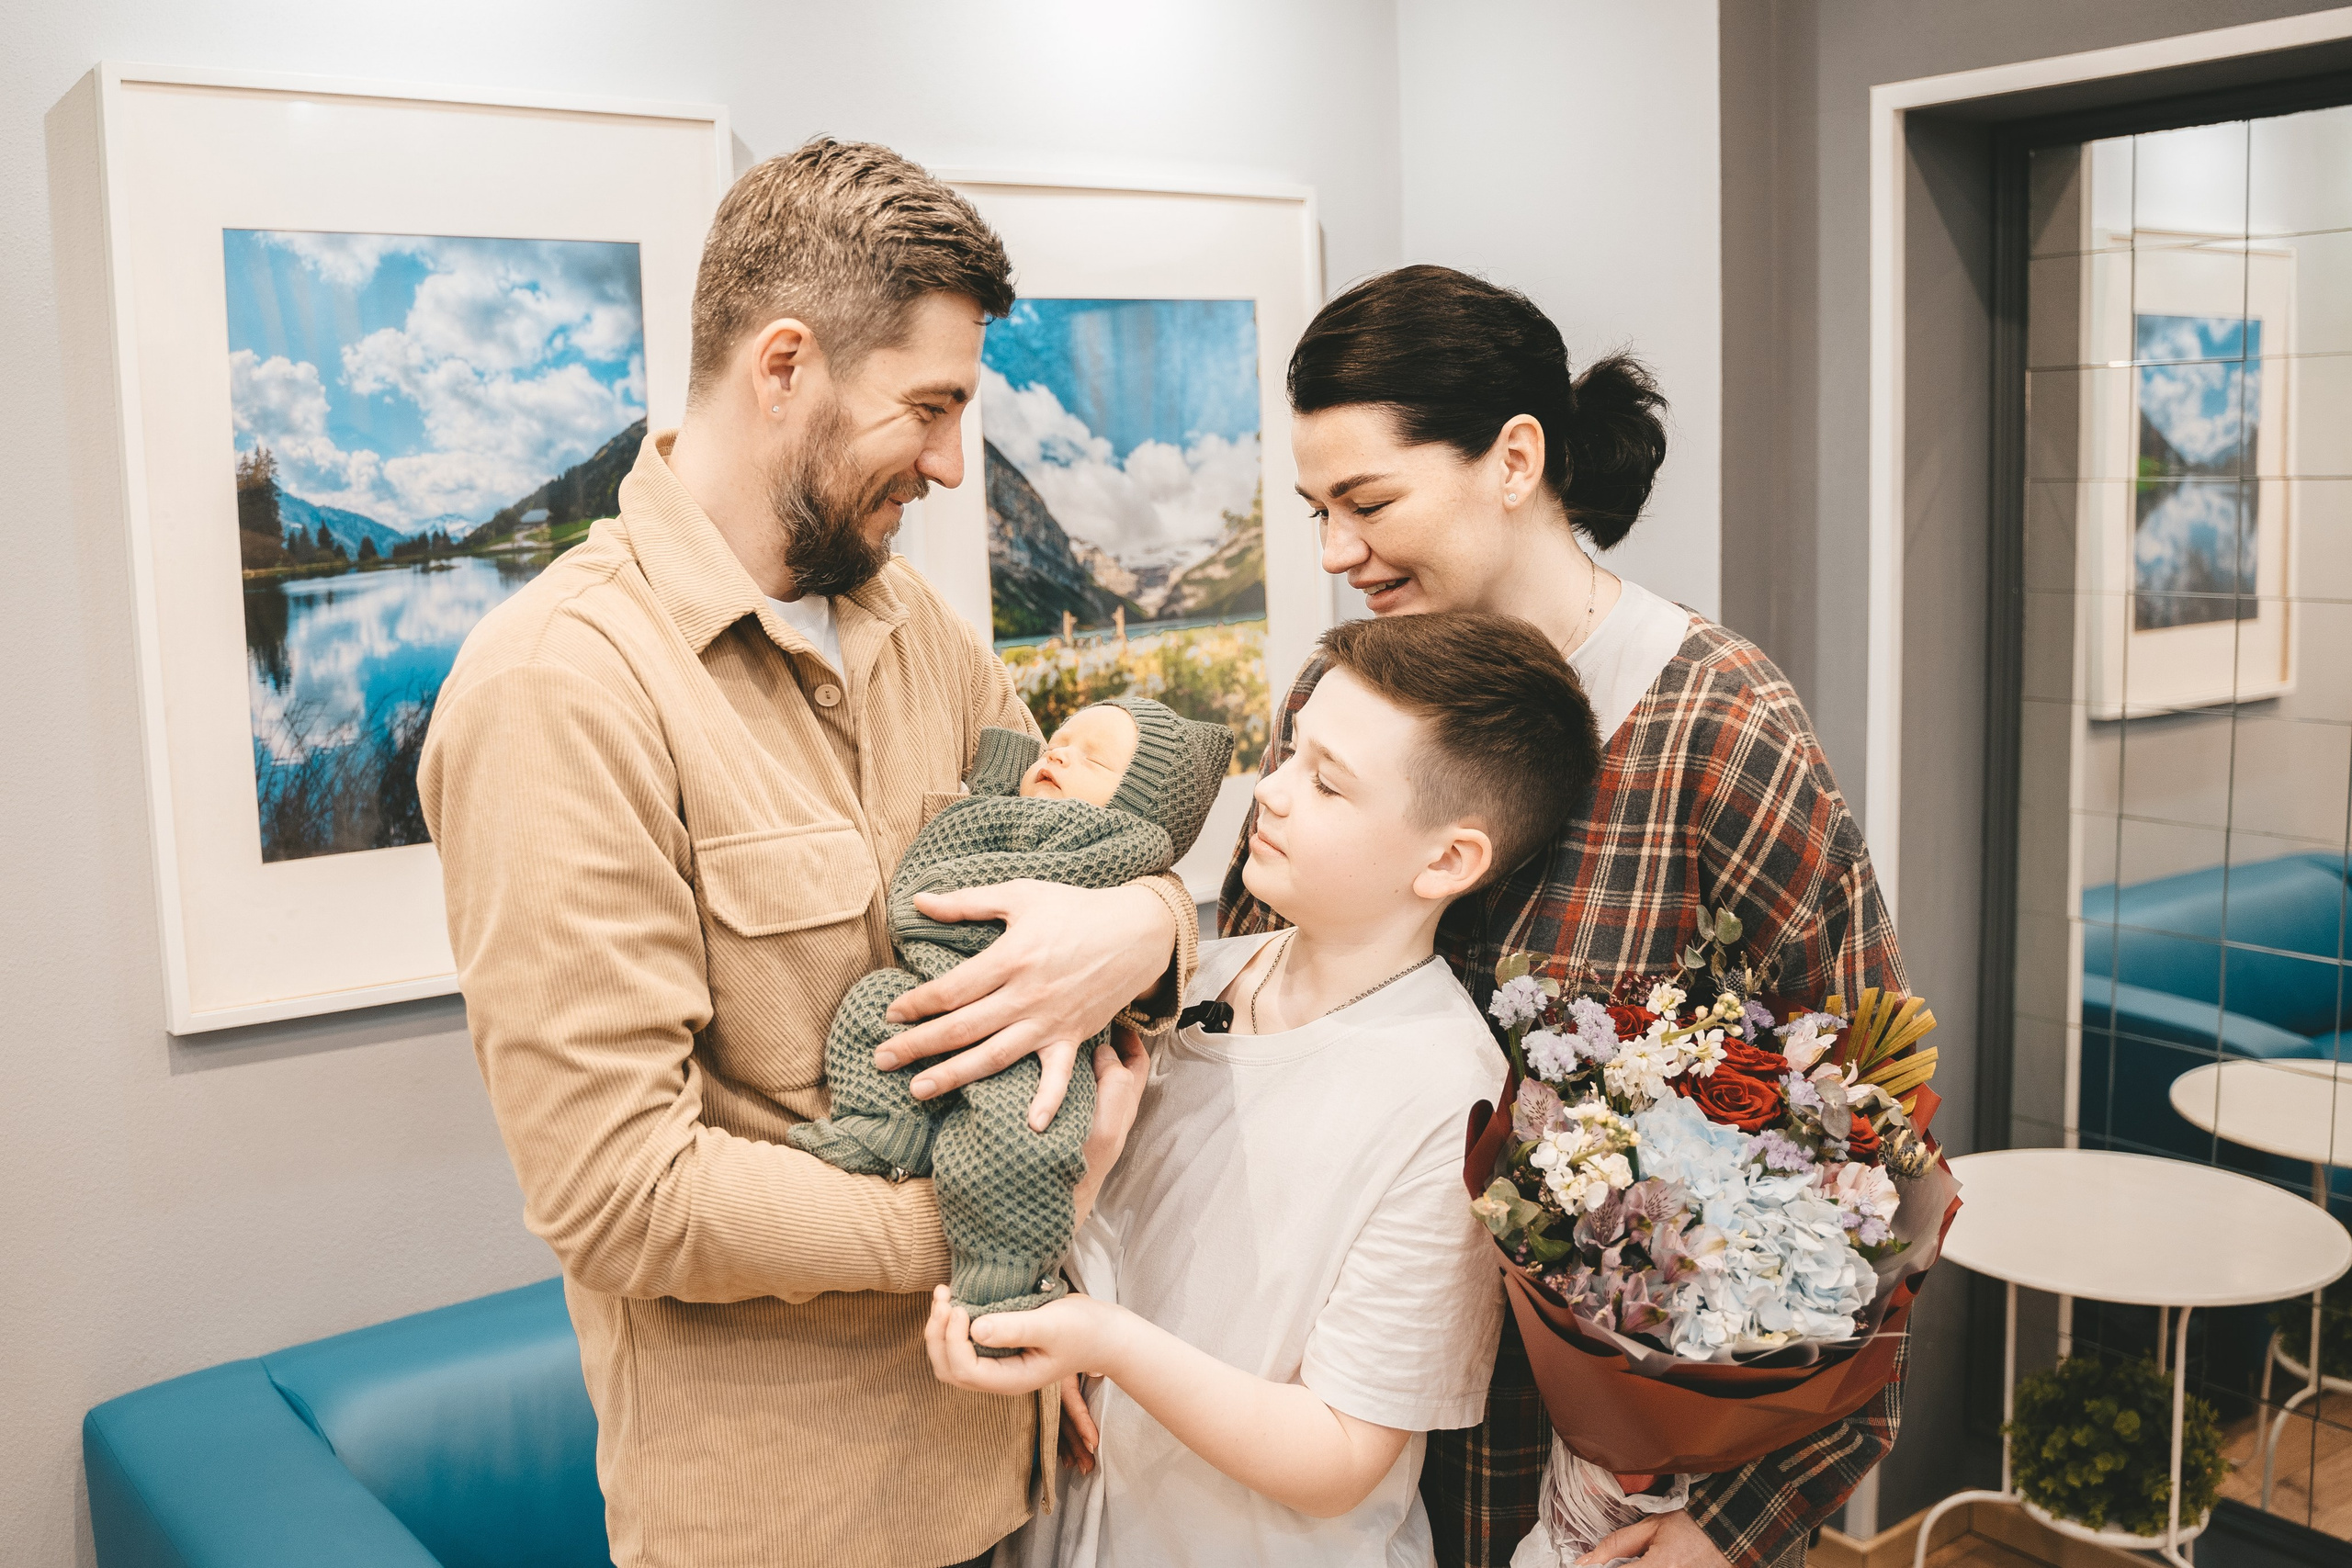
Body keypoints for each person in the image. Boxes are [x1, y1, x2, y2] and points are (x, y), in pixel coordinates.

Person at [418, 139, 1196, 1568]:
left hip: (1016, 1464)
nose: (956, 464)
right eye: (932, 407)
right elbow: (621, 1191)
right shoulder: (560, 687)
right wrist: (1005, 1224)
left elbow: (1091, 838)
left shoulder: (918, 631)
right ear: (785, 366)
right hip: (796, 1522)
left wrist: (1153, 921)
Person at [1220, 265, 1910, 1568]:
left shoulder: (1718, 729)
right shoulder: (1347, 686)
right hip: (1324, 1451)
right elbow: (1242, 994)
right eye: (1316, 509)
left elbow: (1869, 1135)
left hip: (1602, 1501)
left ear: (1516, 457)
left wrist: (1731, 1519)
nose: (1334, 553)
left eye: (1368, 502)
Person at [928, 610, 1608, 1568]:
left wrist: (1101, 1341)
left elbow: (1342, 1454)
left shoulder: (1448, 1098)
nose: (1273, 795)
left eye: (1327, 782)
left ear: (1448, 859)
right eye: (1288, 756)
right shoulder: (1182, 979)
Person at [790, 698, 1234, 1326]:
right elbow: (982, 819)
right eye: (1056, 740)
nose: (1057, 752)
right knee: (870, 1014)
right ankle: (887, 1132)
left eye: (1094, 758)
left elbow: (1115, 872)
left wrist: (1154, 917)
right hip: (930, 988)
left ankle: (1003, 1283)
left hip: (1036, 1045)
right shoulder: (1010, 812)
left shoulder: (1107, 841)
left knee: (1019, 1138)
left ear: (1136, 804)